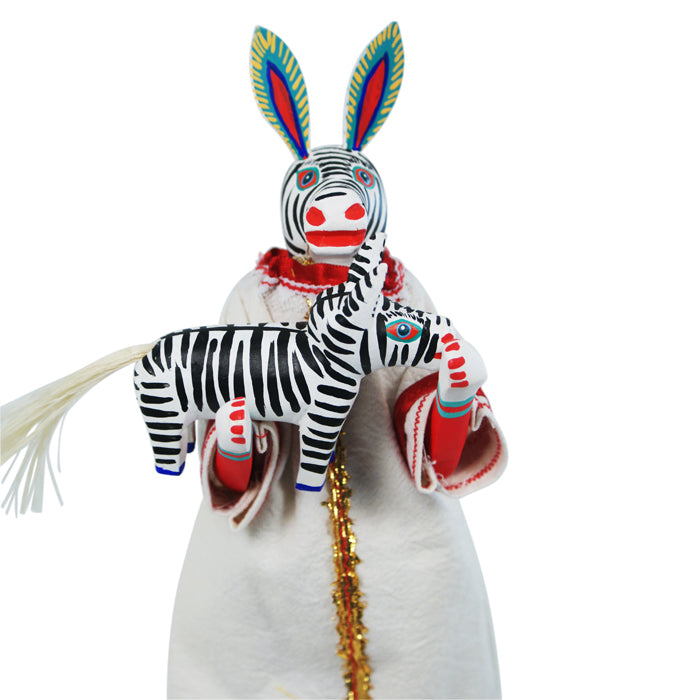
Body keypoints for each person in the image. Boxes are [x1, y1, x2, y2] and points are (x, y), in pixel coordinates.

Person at [165, 24, 508, 699]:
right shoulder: (255, 298)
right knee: (252, 655)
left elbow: (427, 407)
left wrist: (451, 400)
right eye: (320, 201)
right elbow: (225, 389)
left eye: (352, 200)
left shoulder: (400, 292)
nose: (337, 217)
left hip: (400, 535)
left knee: (423, 652)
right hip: (271, 545)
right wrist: (234, 442)